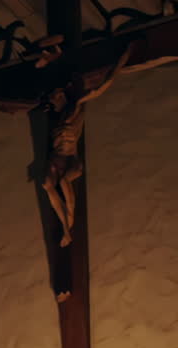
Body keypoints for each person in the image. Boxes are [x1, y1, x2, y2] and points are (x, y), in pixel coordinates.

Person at [43, 46, 131, 247]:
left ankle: (69, 224)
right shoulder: (56, 119)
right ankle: (66, 227)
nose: (53, 101)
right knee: (47, 184)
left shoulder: (74, 108)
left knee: (65, 181)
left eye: (54, 96)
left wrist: (120, 62)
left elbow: (98, 88)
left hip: (69, 158)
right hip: (56, 159)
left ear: (62, 95)